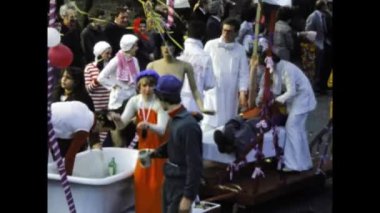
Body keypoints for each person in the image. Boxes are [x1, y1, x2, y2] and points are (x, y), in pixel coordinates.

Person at [109, 70, 169, 213]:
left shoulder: (160, 103)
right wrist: (116, 119)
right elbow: (122, 124)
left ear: (156, 87)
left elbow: (161, 129)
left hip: (159, 150)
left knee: (156, 185)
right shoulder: (135, 101)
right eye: (144, 86)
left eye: (151, 86)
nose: (147, 89)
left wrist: (148, 125)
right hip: (143, 149)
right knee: (141, 182)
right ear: (138, 86)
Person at [149, 75, 203, 213]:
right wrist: (156, 153)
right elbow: (176, 145)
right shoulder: (175, 119)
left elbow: (195, 164)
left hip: (180, 185)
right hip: (170, 181)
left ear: (163, 98)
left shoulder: (188, 126)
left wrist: (188, 196)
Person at [256, 50, 317, 172]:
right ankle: (304, 163)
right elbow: (266, 86)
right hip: (295, 101)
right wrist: (260, 98)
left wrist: (275, 101)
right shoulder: (273, 69)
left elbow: (291, 91)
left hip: (303, 98)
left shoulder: (287, 68)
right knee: (299, 130)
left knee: (292, 127)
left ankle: (293, 164)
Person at [202, 17, 249, 130]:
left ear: (236, 33)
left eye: (230, 31)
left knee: (228, 123)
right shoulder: (210, 45)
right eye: (224, 30)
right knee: (209, 122)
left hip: (231, 92)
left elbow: (243, 73)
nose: (226, 34)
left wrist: (242, 92)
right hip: (213, 91)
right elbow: (203, 67)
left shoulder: (240, 49)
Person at [147, 38, 214, 115]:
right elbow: (145, 88)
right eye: (163, 45)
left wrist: (202, 108)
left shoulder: (185, 66)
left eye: (169, 45)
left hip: (176, 110)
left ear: (175, 47)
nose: (166, 48)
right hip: (156, 110)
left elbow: (194, 90)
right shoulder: (152, 66)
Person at [50, 101, 115, 175]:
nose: (101, 132)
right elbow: (70, 157)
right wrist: (69, 179)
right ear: (102, 123)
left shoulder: (84, 106)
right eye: (104, 130)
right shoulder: (84, 130)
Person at [97, 34, 140, 147]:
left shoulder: (134, 60)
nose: (137, 48)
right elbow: (101, 77)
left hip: (131, 98)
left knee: (131, 130)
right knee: (117, 132)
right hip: (118, 101)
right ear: (129, 47)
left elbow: (137, 78)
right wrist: (113, 86)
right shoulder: (116, 60)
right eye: (135, 46)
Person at [177, 20, 215, 113]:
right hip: (195, 102)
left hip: (176, 99)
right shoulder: (205, 56)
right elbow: (209, 84)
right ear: (202, 36)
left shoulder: (178, 52)